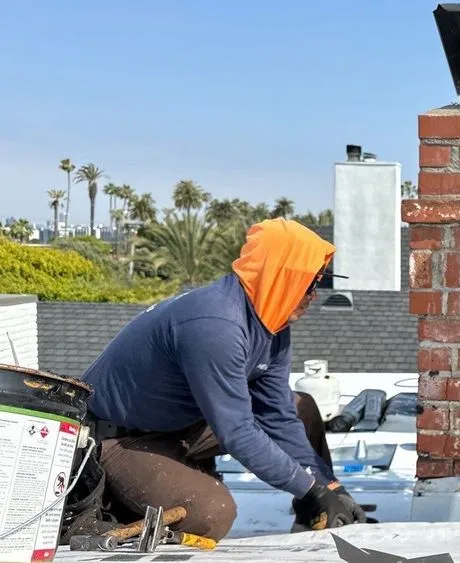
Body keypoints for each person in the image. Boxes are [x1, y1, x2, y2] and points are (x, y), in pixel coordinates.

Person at [65, 218, 369, 542]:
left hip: (182, 425)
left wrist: (328, 487)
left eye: (318, 285)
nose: (313, 295)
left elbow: (278, 414)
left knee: (302, 407)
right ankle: (123, 498)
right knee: (212, 513)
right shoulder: (216, 325)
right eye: (308, 285)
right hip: (118, 440)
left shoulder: (272, 324)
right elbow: (237, 433)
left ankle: (315, 519)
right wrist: (309, 488)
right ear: (277, 277)